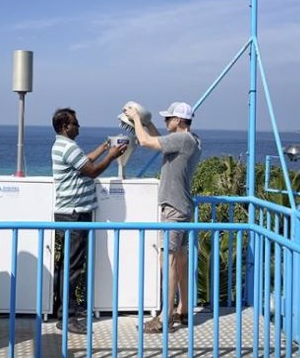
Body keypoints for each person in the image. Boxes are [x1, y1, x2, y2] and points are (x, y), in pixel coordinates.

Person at [125, 101, 202, 333]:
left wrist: (137, 119)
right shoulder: (192, 140)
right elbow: (161, 142)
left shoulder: (182, 140)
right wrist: (148, 124)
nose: (165, 121)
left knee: (167, 262)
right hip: (184, 207)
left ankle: (165, 318)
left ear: (178, 121)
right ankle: (184, 310)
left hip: (173, 209)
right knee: (180, 261)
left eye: (168, 118)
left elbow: (148, 142)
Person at [51, 107, 127, 334]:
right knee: (73, 267)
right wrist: (111, 157)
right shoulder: (68, 147)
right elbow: (91, 170)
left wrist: (104, 148)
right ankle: (67, 317)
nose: (78, 126)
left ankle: (62, 309)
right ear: (66, 127)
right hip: (74, 213)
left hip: (68, 212)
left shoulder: (63, 145)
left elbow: (84, 161)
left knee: (65, 264)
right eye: (75, 123)